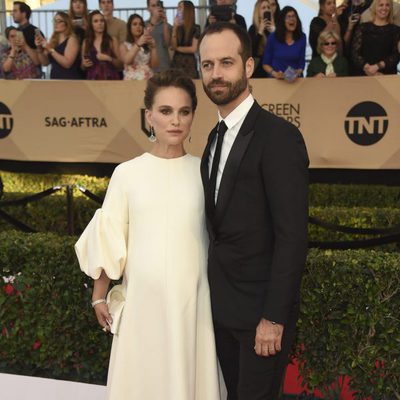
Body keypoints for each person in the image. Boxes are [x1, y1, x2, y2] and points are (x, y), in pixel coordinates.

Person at [75, 68, 221, 400]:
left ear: (193, 116)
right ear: (149, 116)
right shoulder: (127, 174)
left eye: (184, 111)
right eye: (166, 111)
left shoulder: (207, 172)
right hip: (142, 304)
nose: (175, 121)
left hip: (193, 306)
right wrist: (99, 296)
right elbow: (110, 236)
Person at [198, 22, 309, 400]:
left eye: (226, 63)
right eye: (208, 64)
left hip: (261, 319)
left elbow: (292, 236)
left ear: (248, 66)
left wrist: (273, 318)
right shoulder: (213, 137)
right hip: (221, 311)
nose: (216, 74)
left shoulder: (278, 136)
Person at [351, 0, 400, 75]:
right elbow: (355, 53)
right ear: (375, 7)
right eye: (381, 5)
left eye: (387, 5)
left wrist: (377, 66)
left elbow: (396, 54)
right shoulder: (363, 28)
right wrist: (368, 68)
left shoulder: (396, 30)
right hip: (363, 74)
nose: (384, 8)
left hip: (386, 75)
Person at [262, 6, 306, 81]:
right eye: (288, 17)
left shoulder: (302, 37)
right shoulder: (273, 37)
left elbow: (301, 64)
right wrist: (276, 74)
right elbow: (265, 64)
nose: (292, 19)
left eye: (294, 16)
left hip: (295, 82)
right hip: (275, 81)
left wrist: (297, 72)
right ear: (282, 21)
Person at [35, 12, 82, 80]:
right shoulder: (53, 40)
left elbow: (67, 63)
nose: (56, 23)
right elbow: (45, 63)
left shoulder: (72, 39)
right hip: (55, 79)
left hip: (69, 79)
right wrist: (39, 48)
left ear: (66, 23)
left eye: (59, 21)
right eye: (54, 21)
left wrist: (50, 49)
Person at [81, 11, 121, 80]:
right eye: (96, 21)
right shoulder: (86, 42)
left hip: (111, 80)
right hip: (92, 81)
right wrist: (84, 64)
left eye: (102, 21)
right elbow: (82, 66)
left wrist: (109, 58)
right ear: (91, 24)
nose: (100, 23)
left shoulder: (112, 40)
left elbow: (120, 64)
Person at [120, 14, 158, 80]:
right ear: (129, 27)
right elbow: (127, 61)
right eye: (135, 24)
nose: (138, 26)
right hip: (131, 81)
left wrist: (154, 47)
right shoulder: (124, 45)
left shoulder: (148, 44)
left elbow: (155, 65)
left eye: (140, 24)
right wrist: (138, 44)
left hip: (147, 79)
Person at [338, 0, 372, 74]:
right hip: (348, 56)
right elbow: (342, 42)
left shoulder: (371, 6)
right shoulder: (345, 8)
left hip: (367, 56)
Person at [170, 1, 200, 78]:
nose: (178, 9)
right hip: (176, 62)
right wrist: (175, 28)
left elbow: (193, 49)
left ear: (187, 10)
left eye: (180, 7)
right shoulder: (176, 28)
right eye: (178, 7)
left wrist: (177, 48)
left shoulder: (195, 28)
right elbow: (173, 46)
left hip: (189, 63)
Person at [248, 0, 275, 78]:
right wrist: (260, 32)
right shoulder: (253, 29)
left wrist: (274, 32)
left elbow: (280, 49)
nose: (266, 9)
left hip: (272, 69)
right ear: (258, 12)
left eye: (268, 7)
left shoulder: (276, 29)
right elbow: (251, 50)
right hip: (258, 71)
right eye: (263, 8)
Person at [146, 0, 172, 72]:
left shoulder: (168, 26)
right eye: (153, 6)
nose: (156, 8)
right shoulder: (143, 25)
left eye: (158, 6)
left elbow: (168, 44)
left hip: (164, 67)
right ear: (148, 8)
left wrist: (165, 22)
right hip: (149, 68)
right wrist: (154, 19)